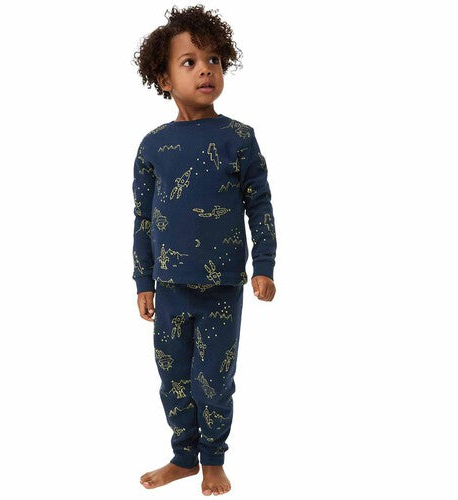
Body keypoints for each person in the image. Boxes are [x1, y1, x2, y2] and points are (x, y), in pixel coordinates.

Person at [131, 5, 277, 496]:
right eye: (190, 62)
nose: (206, 70)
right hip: (170, 287)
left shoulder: (239, 138)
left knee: (214, 378)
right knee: (172, 377)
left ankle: (213, 458)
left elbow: (260, 205)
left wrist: (265, 266)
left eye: (214, 60)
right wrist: (143, 280)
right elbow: (143, 218)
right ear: (164, 78)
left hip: (222, 287)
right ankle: (183, 457)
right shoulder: (153, 145)